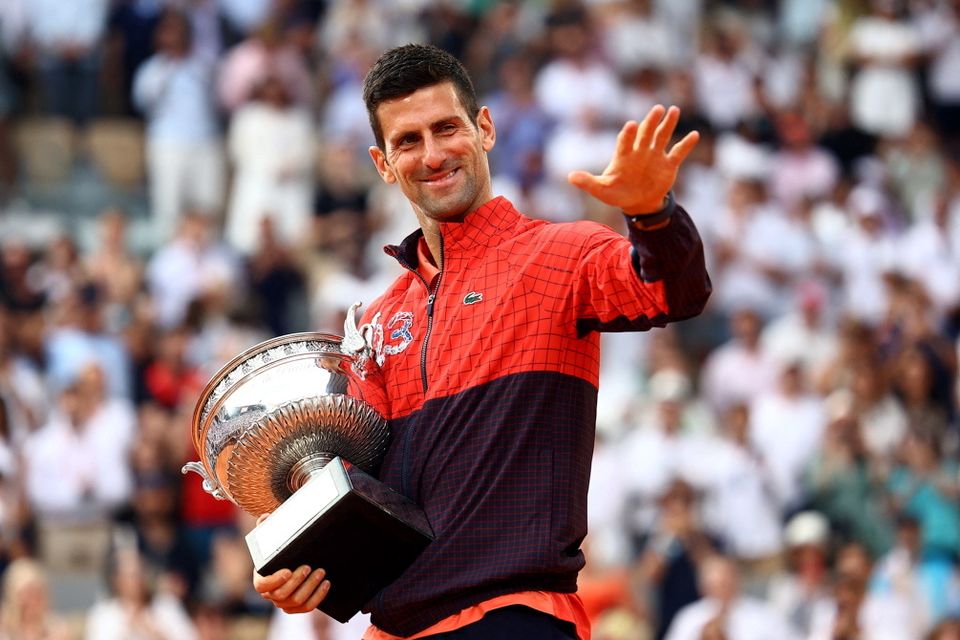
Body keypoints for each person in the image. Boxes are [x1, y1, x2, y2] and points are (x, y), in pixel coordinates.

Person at [252, 43, 710, 640]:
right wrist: (304, 558)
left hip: (514, 614)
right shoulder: (380, 319)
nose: (433, 154)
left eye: (446, 128)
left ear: (485, 128)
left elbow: (672, 293)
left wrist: (652, 215)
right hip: (394, 629)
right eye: (408, 140)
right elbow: (363, 490)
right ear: (383, 163)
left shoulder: (560, 256)